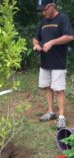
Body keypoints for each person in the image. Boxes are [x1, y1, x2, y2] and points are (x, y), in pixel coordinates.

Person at [32, 0, 74, 129]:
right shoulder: (43, 22)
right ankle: (51, 112)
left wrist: (52, 42)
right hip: (45, 63)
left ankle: (61, 117)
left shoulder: (62, 18)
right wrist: (36, 45)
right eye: (41, 10)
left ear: (52, 6)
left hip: (58, 63)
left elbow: (70, 36)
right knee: (47, 87)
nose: (43, 12)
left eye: (45, 9)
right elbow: (35, 38)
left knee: (59, 89)